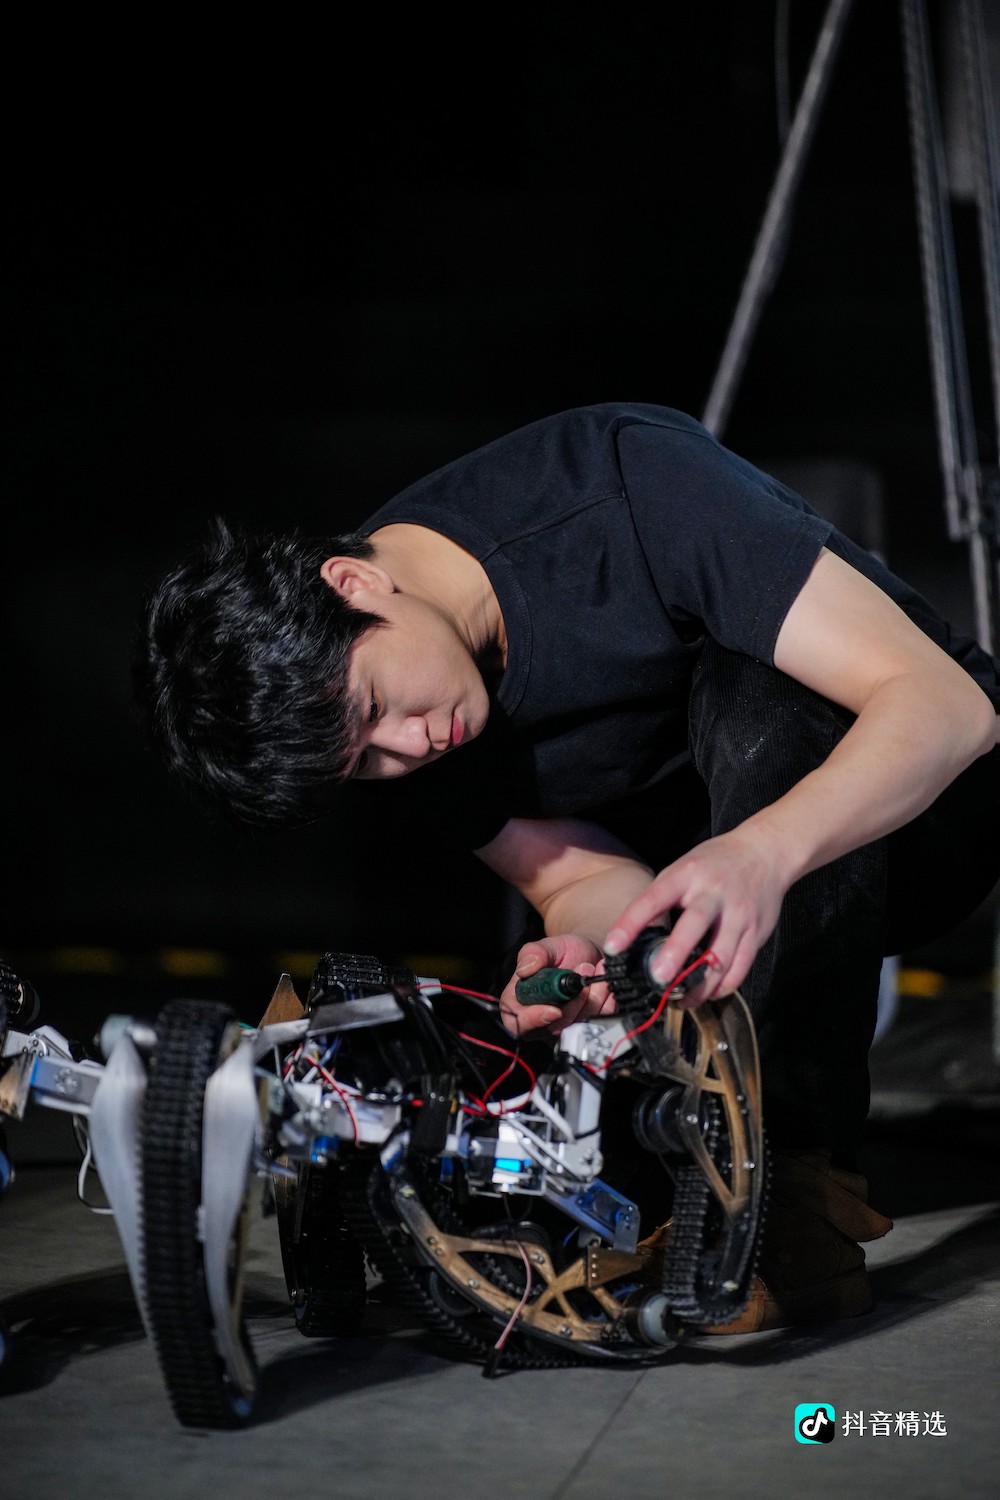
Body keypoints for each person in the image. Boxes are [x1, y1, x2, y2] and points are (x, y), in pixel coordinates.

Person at [136, 401, 1000, 1332]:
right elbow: (574, 878)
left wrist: (763, 850)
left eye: (379, 708)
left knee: (759, 682)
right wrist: (587, 949)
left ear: (353, 582)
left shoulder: (628, 488)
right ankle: (695, 1165)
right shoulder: (390, 704)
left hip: (926, 806)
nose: (410, 747)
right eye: (367, 760)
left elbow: (952, 707)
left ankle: (795, 1185)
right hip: (716, 883)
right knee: (571, 1163)